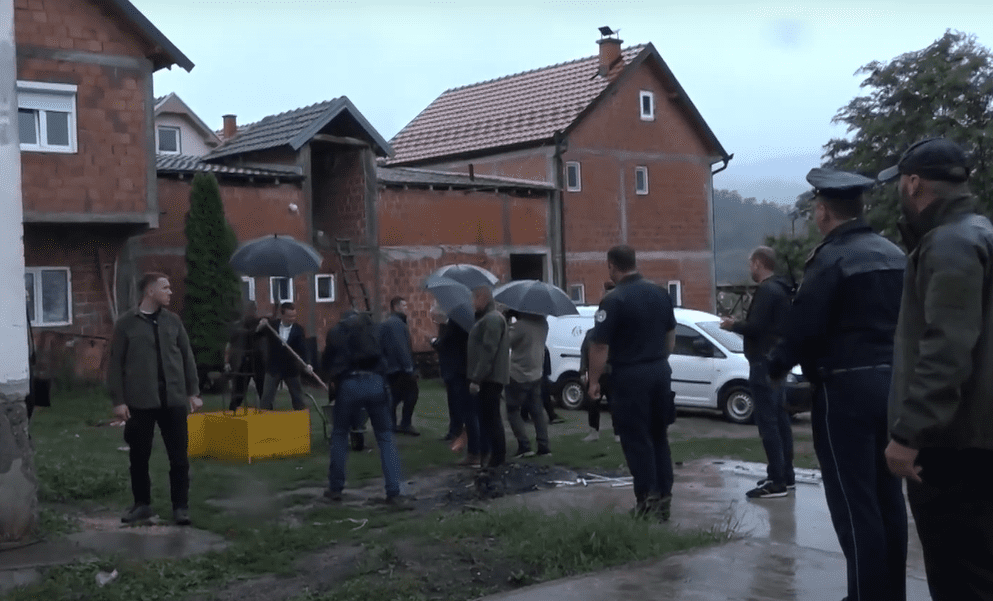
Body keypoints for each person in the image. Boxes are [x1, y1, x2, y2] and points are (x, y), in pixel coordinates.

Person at [767, 168, 907, 601]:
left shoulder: (829, 259)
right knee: (890, 501)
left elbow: (804, 327)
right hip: (896, 389)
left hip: (844, 392)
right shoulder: (895, 253)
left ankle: (864, 594)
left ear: (823, 211)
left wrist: (775, 367)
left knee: (854, 505)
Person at [879, 137, 993, 601]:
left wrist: (909, 435)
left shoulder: (949, 244)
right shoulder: (980, 231)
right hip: (977, 440)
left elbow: (946, 349)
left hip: (952, 446)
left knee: (959, 576)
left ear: (913, 183)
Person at [587, 245, 677, 520]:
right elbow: (671, 334)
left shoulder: (614, 300)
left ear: (612, 266)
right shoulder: (661, 293)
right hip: (660, 370)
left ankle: (646, 499)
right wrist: (658, 359)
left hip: (630, 376)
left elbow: (600, 346)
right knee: (659, 436)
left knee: (636, 439)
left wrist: (593, 380)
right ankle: (664, 498)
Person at [107, 272, 202, 525]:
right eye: (165, 287)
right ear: (150, 291)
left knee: (179, 457)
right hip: (140, 401)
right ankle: (142, 504)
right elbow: (115, 363)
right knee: (139, 457)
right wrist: (119, 400)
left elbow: (186, 356)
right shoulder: (127, 323)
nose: (170, 292)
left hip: (173, 400)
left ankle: (180, 507)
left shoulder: (173, 322)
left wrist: (193, 392)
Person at [720, 246, 795, 498]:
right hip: (778, 360)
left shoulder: (766, 290)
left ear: (759, 263)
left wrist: (733, 325)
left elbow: (756, 326)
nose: (749, 268)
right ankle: (786, 473)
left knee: (768, 422)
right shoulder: (783, 289)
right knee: (781, 420)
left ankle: (777, 480)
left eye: (751, 263)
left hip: (763, 362)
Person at [322, 310, 405, 505]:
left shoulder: (336, 332)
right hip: (375, 382)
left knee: (340, 435)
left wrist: (330, 379)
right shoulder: (375, 330)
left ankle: (335, 488)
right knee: (385, 437)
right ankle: (394, 491)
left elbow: (326, 362)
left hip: (348, 384)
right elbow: (387, 355)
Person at [467, 285, 510, 469]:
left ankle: (497, 457)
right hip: (489, 377)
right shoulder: (487, 318)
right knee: (487, 418)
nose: (473, 303)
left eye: (475, 298)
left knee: (492, 418)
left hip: (490, 378)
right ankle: (491, 455)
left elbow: (488, 350)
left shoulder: (492, 319)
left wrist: (477, 378)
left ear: (484, 298)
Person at [505, 310, 551, 458]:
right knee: (537, 411)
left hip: (518, 373)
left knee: (512, 410)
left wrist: (507, 320)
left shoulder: (520, 326)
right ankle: (544, 446)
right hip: (536, 372)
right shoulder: (543, 324)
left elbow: (504, 341)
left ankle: (524, 446)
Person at [322, 309, 368, 451]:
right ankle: (356, 437)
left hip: (339, 375)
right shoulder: (359, 332)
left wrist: (328, 374)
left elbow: (328, 354)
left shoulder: (334, 332)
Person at [258, 301, 313, 411]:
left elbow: (303, 349)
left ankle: (301, 421)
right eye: (289, 316)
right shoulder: (271, 326)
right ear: (282, 315)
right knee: (266, 399)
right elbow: (257, 333)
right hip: (274, 367)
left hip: (291, 368)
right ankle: (264, 421)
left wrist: (307, 364)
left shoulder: (298, 330)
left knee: (298, 399)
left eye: (294, 316)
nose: (292, 318)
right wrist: (261, 325)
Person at [581, 281, 617, 443]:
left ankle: (618, 433)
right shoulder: (590, 334)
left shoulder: (614, 335)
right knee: (593, 404)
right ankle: (593, 431)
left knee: (614, 404)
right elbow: (584, 352)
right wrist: (583, 371)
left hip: (610, 372)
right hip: (596, 373)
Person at [381, 296, 420, 436]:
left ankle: (391, 423)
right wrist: (409, 368)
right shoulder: (397, 324)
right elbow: (401, 347)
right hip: (400, 368)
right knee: (412, 394)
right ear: (396, 307)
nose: (406, 309)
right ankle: (405, 424)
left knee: (394, 396)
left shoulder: (387, 323)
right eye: (404, 306)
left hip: (389, 368)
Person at [224, 300, 265, 412]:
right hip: (243, 359)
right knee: (239, 388)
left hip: (257, 359)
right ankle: (233, 409)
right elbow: (230, 345)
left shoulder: (259, 323)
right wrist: (227, 362)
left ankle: (267, 411)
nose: (251, 312)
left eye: (253, 310)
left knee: (262, 388)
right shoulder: (239, 326)